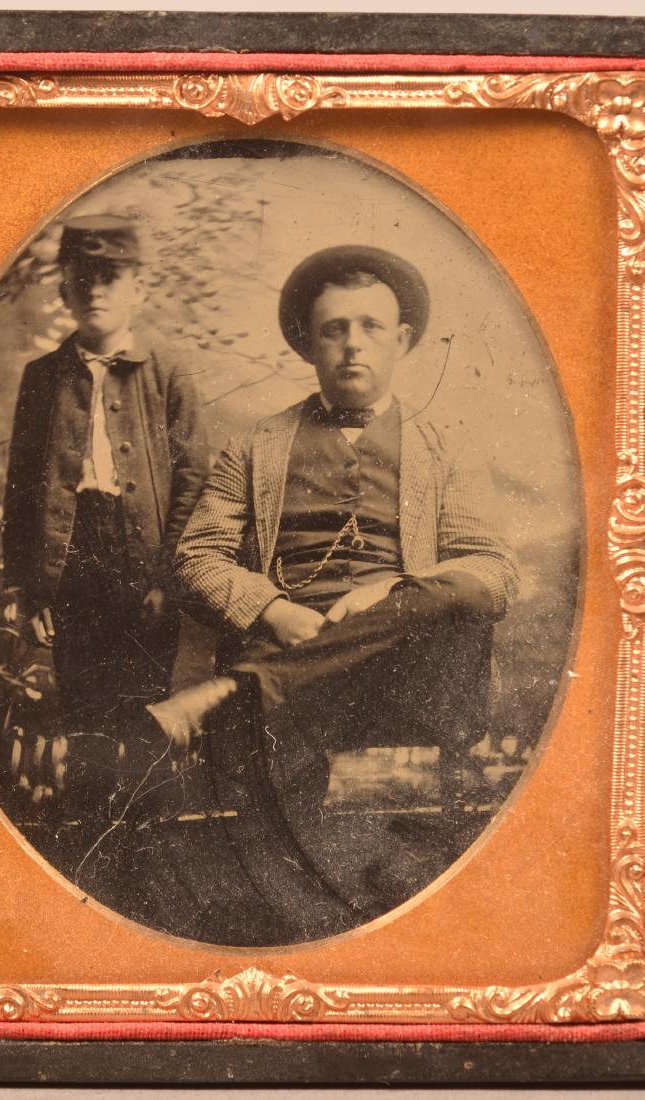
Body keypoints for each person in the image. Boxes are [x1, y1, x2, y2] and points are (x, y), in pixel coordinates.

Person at [148, 244, 520, 944]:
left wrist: (398, 587)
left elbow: (494, 570)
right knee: (293, 837)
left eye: (371, 327)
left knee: (453, 595)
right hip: (291, 645)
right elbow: (195, 555)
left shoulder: (445, 445)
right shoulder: (256, 446)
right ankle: (341, 940)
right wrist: (273, 608)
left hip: (401, 665)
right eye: (334, 329)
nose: (353, 345)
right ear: (309, 345)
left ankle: (241, 687)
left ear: (403, 339)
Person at [2, 214, 209, 775]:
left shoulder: (168, 371)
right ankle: (93, 831)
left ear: (138, 287)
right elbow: (21, 487)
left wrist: (169, 578)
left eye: (111, 277)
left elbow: (193, 479)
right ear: (65, 287)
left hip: (142, 556)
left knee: (146, 701)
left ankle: (143, 829)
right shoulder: (43, 376)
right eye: (83, 276)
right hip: (68, 555)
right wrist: (29, 587)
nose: (96, 289)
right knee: (83, 704)